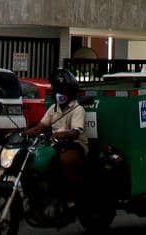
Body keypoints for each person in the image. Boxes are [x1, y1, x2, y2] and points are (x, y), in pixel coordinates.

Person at [34, 68, 87, 208]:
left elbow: (76, 132)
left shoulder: (77, 109)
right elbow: (40, 126)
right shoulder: (53, 108)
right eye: (57, 90)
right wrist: (23, 133)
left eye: (63, 90)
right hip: (56, 145)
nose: (59, 94)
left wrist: (62, 134)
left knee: (64, 161)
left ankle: (71, 198)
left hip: (75, 145)